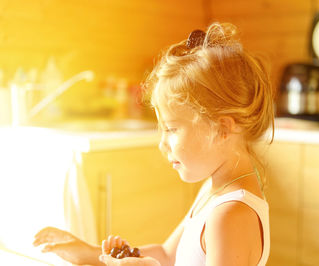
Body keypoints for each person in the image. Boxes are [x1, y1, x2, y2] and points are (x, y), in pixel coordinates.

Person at [33, 22, 274, 266]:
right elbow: (168, 255)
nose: (162, 145)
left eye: (171, 129)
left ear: (222, 128)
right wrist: (91, 254)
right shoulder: (215, 191)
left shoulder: (231, 215)